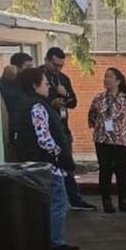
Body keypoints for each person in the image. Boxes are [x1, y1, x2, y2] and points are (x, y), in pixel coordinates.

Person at [15, 67, 77, 250]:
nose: (48, 86)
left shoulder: (26, 104)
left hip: (36, 162)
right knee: (58, 202)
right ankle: (55, 241)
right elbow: (44, 138)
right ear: (34, 85)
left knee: (48, 203)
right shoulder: (38, 106)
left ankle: (47, 239)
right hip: (48, 164)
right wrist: (59, 154)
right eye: (44, 82)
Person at [43, 48, 96, 211]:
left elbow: (73, 102)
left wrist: (65, 95)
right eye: (55, 65)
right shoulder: (39, 77)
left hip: (63, 127)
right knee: (48, 167)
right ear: (46, 60)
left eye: (61, 65)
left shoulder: (63, 78)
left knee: (67, 164)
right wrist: (51, 102)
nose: (58, 68)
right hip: (46, 129)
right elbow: (33, 100)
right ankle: (48, 201)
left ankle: (74, 199)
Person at [87, 67, 126, 214]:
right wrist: (99, 129)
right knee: (105, 170)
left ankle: (123, 201)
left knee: (122, 171)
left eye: (110, 77)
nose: (106, 79)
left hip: (122, 140)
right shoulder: (99, 98)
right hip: (103, 140)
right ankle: (107, 201)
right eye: (105, 76)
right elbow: (92, 116)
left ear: (118, 81)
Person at [0, 52, 34, 161]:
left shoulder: (28, 82)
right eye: (28, 67)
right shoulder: (9, 82)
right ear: (17, 67)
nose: (30, 70)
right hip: (18, 128)